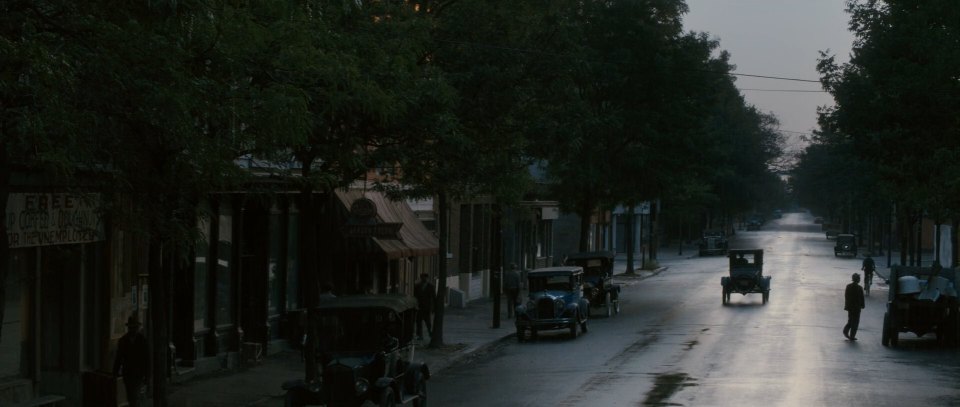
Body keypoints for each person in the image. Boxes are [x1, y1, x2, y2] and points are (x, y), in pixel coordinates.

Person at [114, 314, 150, 407]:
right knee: (130, 395)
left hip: (138, 373)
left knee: (135, 395)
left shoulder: (142, 340)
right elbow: (119, 357)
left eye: (135, 327)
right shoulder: (123, 340)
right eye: (131, 327)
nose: (133, 329)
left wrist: (147, 374)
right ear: (129, 328)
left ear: (137, 328)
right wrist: (115, 372)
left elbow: (147, 358)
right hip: (128, 373)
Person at [843, 273, 865, 341]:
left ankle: (845, 331)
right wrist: (862, 305)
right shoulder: (859, 288)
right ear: (858, 280)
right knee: (855, 322)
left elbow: (846, 296)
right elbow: (862, 298)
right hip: (857, 307)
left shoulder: (848, 286)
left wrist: (847, 305)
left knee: (850, 320)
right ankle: (852, 336)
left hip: (850, 307)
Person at [413, 273, 435, 341]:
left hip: (427, 307)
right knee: (418, 322)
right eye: (422, 277)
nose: (423, 279)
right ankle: (420, 335)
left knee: (428, 322)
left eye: (425, 278)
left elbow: (433, 297)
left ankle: (430, 334)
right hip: (419, 307)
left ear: (427, 278)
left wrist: (433, 308)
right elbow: (415, 296)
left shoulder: (431, 286)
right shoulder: (417, 286)